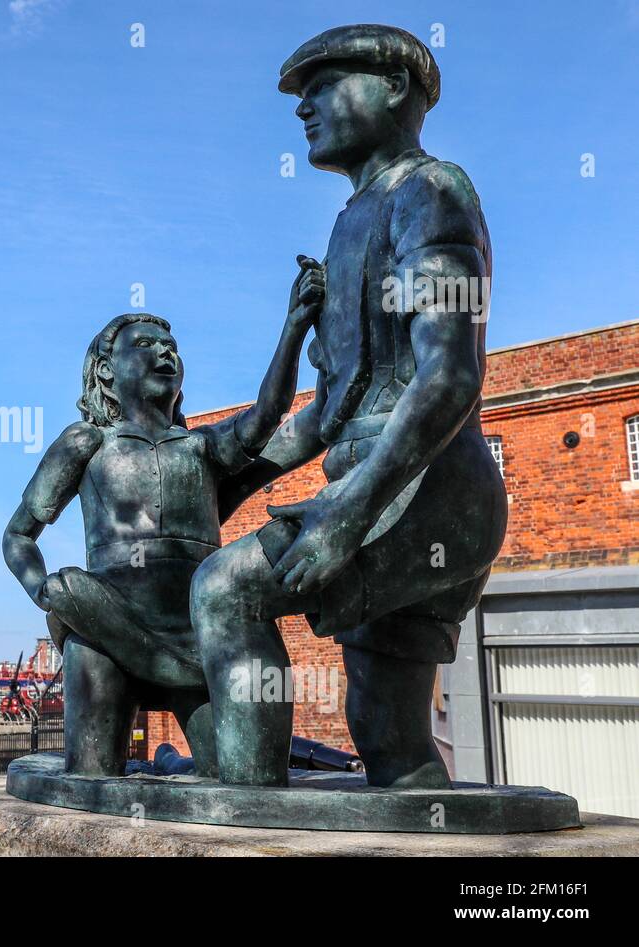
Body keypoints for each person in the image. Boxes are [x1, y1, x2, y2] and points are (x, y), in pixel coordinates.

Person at [191, 24, 506, 789]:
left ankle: (247, 798)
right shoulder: (349, 223)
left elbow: (449, 378)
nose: (304, 107)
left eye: (322, 86)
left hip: (424, 493)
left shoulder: (431, 191)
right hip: (380, 487)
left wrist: (346, 514)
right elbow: (329, 411)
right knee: (388, 740)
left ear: (394, 87)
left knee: (224, 588)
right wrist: (219, 482)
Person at [3, 260, 322, 777]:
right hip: (106, 623)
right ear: (107, 370)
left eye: (170, 346)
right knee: (91, 779)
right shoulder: (86, 443)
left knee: (233, 776)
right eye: (145, 345)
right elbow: (19, 534)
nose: (165, 352)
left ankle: (167, 762)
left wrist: (295, 325)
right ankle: (158, 763)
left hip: (198, 634)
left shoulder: (201, 447)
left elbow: (270, 412)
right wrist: (43, 589)